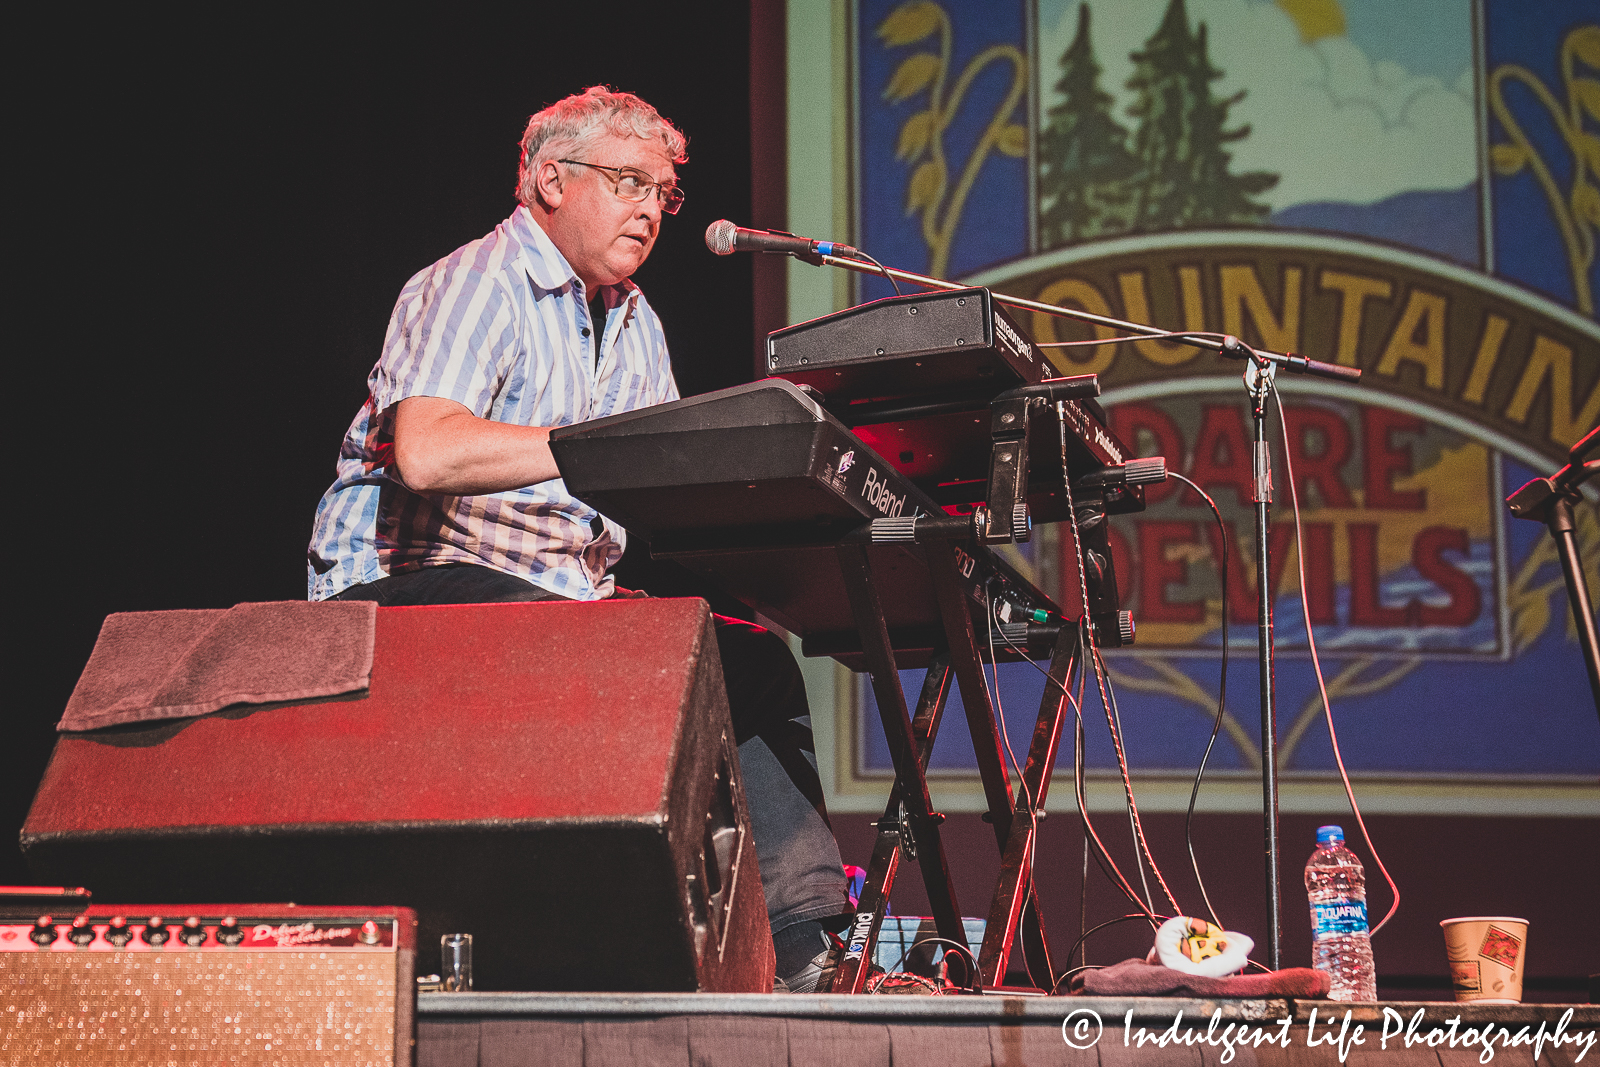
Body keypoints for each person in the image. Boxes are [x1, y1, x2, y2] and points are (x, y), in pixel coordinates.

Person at [307, 86, 847, 991]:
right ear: (549, 181)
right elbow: (429, 454)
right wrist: (592, 452)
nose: (650, 208)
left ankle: (805, 949)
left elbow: (667, 495)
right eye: (629, 181)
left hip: (563, 599)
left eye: (663, 193)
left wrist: (800, 532)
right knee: (582, 643)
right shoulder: (476, 282)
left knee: (751, 663)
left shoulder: (638, 323)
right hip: (418, 583)